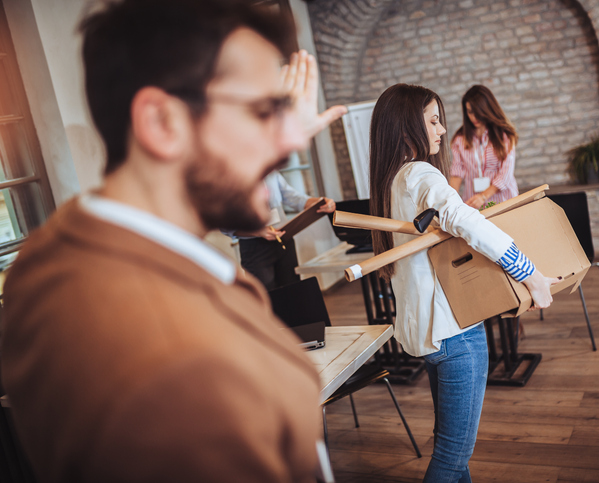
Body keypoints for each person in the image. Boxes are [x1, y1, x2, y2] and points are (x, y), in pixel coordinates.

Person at [0, 1, 346, 482]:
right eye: (264, 110)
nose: (292, 141)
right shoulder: (171, 367)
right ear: (163, 123)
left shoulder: (75, 248)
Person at [368, 83, 558, 483]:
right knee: (453, 455)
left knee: (453, 450)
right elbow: (464, 219)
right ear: (406, 128)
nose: (441, 131)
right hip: (456, 335)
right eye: (433, 121)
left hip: (427, 331)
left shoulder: (391, 180)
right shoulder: (420, 173)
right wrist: (532, 275)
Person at [229, 169, 335, 290]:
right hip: (255, 249)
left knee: (292, 292)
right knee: (268, 299)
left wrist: (321, 202)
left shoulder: (270, 170)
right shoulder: (229, 176)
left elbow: (294, 198)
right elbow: (225, 224)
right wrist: (258, 231)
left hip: (284, 241)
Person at [450, 85, 519, 209]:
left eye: (478, 112)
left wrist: (483, 196)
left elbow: (506, 173)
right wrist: (449, 201)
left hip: (503, 200)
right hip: (473, 203)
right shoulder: (459, 140)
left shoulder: (504, 136)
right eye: (470, 112)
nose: (474, 117)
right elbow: (456, 173)